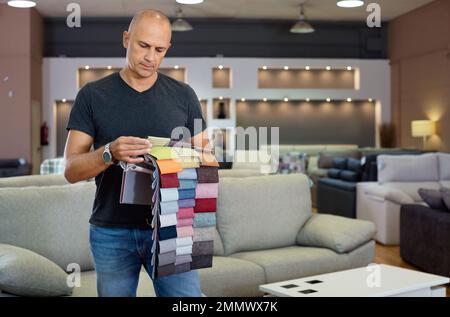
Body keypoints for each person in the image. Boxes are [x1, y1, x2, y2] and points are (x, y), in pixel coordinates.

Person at [64, 9, 208, 297]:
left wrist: (181, 158)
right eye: (143, 46)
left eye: (160, 50)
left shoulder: (184, 95)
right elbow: (70, 170)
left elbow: (205, 159)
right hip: (111, 231)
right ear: (126, 39)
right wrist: (109, 152)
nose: (151, 57)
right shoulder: (92, 95)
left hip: (171, 227)